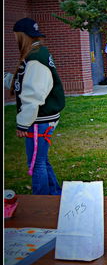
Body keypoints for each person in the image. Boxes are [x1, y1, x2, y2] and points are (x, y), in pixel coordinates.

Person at [4, 18, 65, 195]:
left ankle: (41, 204)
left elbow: (33, 95)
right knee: (41, 160)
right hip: (42, 118)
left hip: (40, 120)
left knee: (36, 163)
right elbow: (23, 83)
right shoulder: (37, 54)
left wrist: (23, 123)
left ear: (21, 36)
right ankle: (54, 194)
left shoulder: (35, 59)